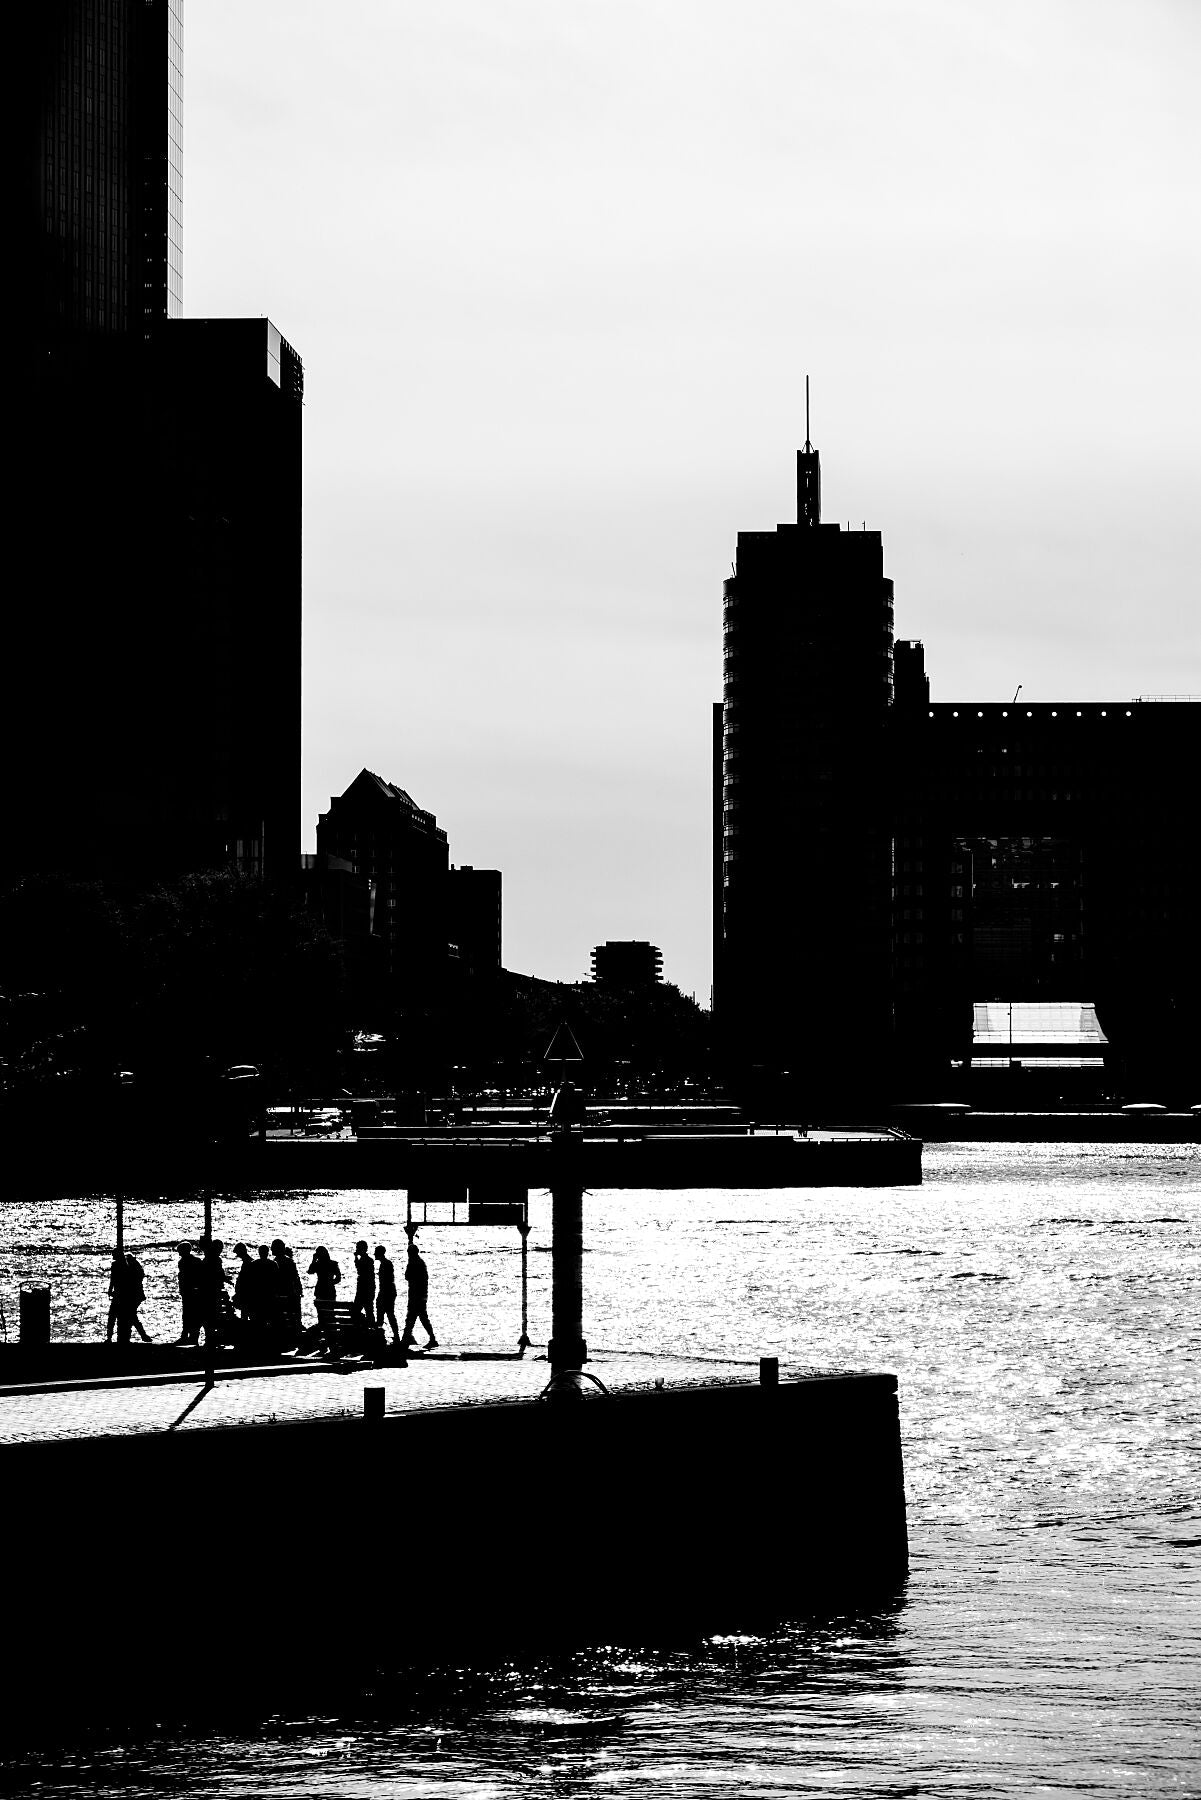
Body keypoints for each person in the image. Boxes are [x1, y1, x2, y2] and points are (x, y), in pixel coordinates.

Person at [401, 1239, 438, 1350]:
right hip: (419, 1295)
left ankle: (406, 1339)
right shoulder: (420, 1263)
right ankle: (408, 1338)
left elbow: (407, 1276)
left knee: (413, 1317)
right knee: (420, 1318)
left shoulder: (414, 1263)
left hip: (415, 1295)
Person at [273, 1239, 302, 1341]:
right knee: (293, 1316)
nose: (271, 1249)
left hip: (281, 1294)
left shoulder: (275, 1262)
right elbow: (295, 1278)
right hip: (289, 1294)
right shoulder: (289, 1261)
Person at [176, 1242, 204, 1344]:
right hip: (192, 1292)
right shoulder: (196, 1261)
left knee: (189, 1315)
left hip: (189, 1292)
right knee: (191, 1315)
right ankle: (191, 1337)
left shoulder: (183, 1262)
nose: (179, 1254)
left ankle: (187, 1337)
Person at [122, 1251, 153, 1343]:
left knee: (130, 1316)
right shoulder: (137, 1268)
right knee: (131, 1316)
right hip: (137, 1295)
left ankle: (141, 1335)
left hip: (133, 1295)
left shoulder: (132, 1269)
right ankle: (140, 1335)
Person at [374, 1244, 400, 1345]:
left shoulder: (385, 1264)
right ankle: (393, 1335)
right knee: (389, 1314)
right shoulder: (386, 1264)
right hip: (389, 1292)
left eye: (376, 1253)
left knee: (385, 1314)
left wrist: (381, 1295)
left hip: (386, 1293)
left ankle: (383, 1336)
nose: (374, 1254)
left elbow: (385, 1282)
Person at [352, 1239, 376, 1326]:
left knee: (365, 1310)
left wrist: (356, 1258)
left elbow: (360, 1270)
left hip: (365, 1289)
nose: (356, 1250)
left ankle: (369, 1326)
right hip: (366, 1289)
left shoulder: (367, 1260)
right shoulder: (367, 1260)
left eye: (358, 1248)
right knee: (368, 1310)